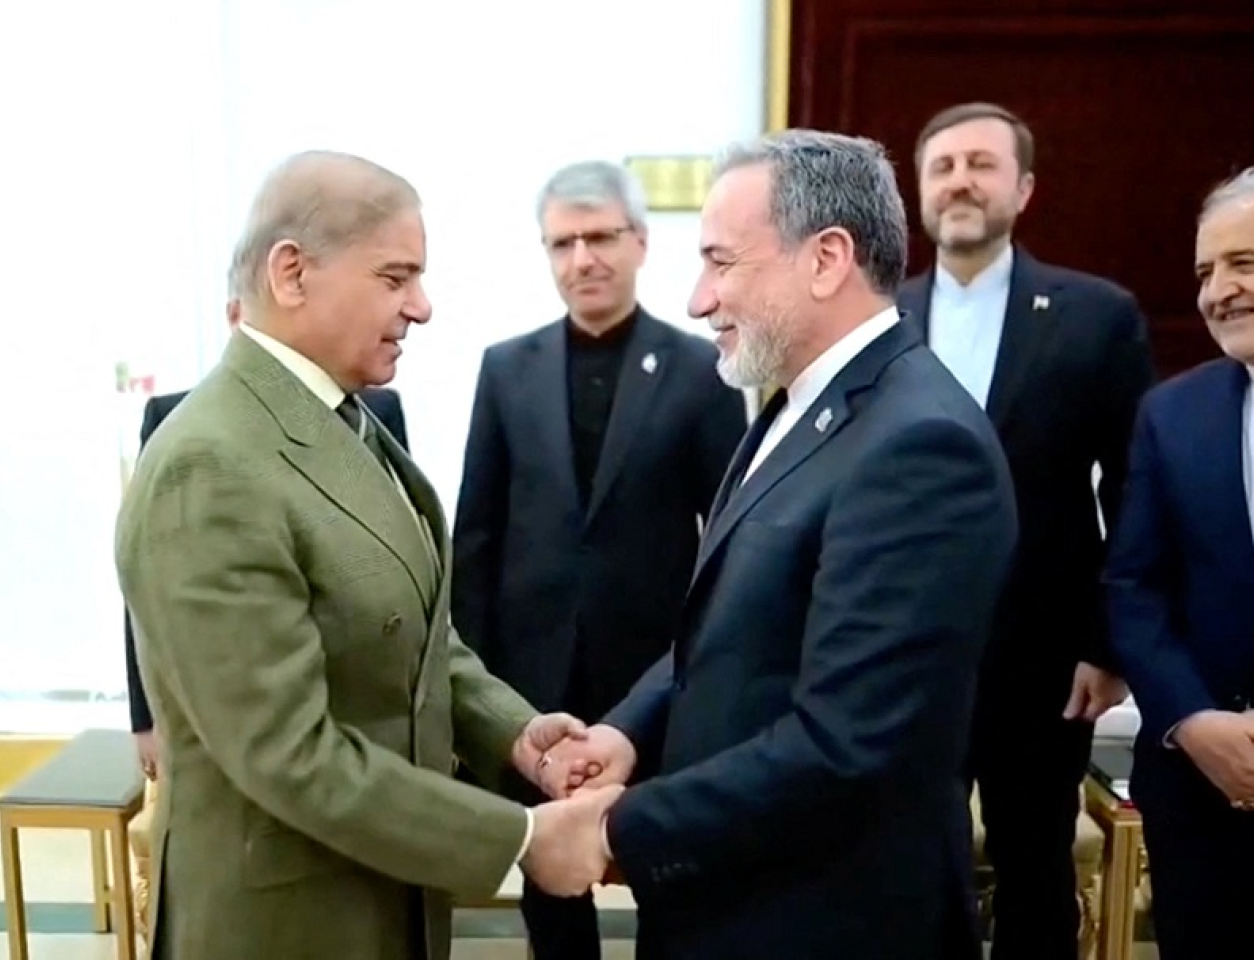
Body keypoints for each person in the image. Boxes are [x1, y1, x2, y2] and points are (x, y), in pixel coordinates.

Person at [115, 150, 620, 960]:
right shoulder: (209, 465)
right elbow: (289, 754)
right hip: (286, 925)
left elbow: (408, 631)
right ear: (292, 274)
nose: (421, 307)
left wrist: (516, 733)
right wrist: (520, 838)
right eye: (395, 277)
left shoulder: (341, 421)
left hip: (380, 893)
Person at [541, 130, 1018, 960]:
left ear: (826, 259)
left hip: (825, 920)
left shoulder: (920, 446)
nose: (698, 299)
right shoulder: (799, 404)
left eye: (722, 262)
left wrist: (619, 830)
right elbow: (733, 625)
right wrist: (628, 733)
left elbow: (848, 745)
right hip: (742, 898)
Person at [451, 160, 746, 960]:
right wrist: (474, 683)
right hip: (533, 676)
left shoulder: (698, 369)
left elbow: (730, 534)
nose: (583, 258)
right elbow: (475, 533)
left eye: (601, 237)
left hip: (650, 672)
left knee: (663, 864)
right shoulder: (505, 370)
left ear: (641, 242)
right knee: (553, 872)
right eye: (563, 243)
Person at [895, 101, 1154, 960]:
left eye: (981, 163)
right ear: (919, 191)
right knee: (909, 866)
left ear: (1025, 187)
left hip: (1044, 659)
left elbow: (1130, 487)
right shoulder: (877, 320)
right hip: (902, 649)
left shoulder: (1095, 315)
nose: (960, 181)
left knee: (1034, 866)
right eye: (942, 166)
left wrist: (1108, 640)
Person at [125, 268, 409, 781]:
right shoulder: (186, 430)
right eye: (395, 278)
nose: (417, 306)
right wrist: (145, 717)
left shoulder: (374, 411)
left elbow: (404, 562)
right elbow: (147, 595)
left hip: (369, 708)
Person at [1104, 166, 1254, 959]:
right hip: (1202, 791)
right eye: (1205, 272)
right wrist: (1197, 724)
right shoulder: (1172, 413)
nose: (1219, 291)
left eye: (1244, 265)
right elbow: (1134, 589)